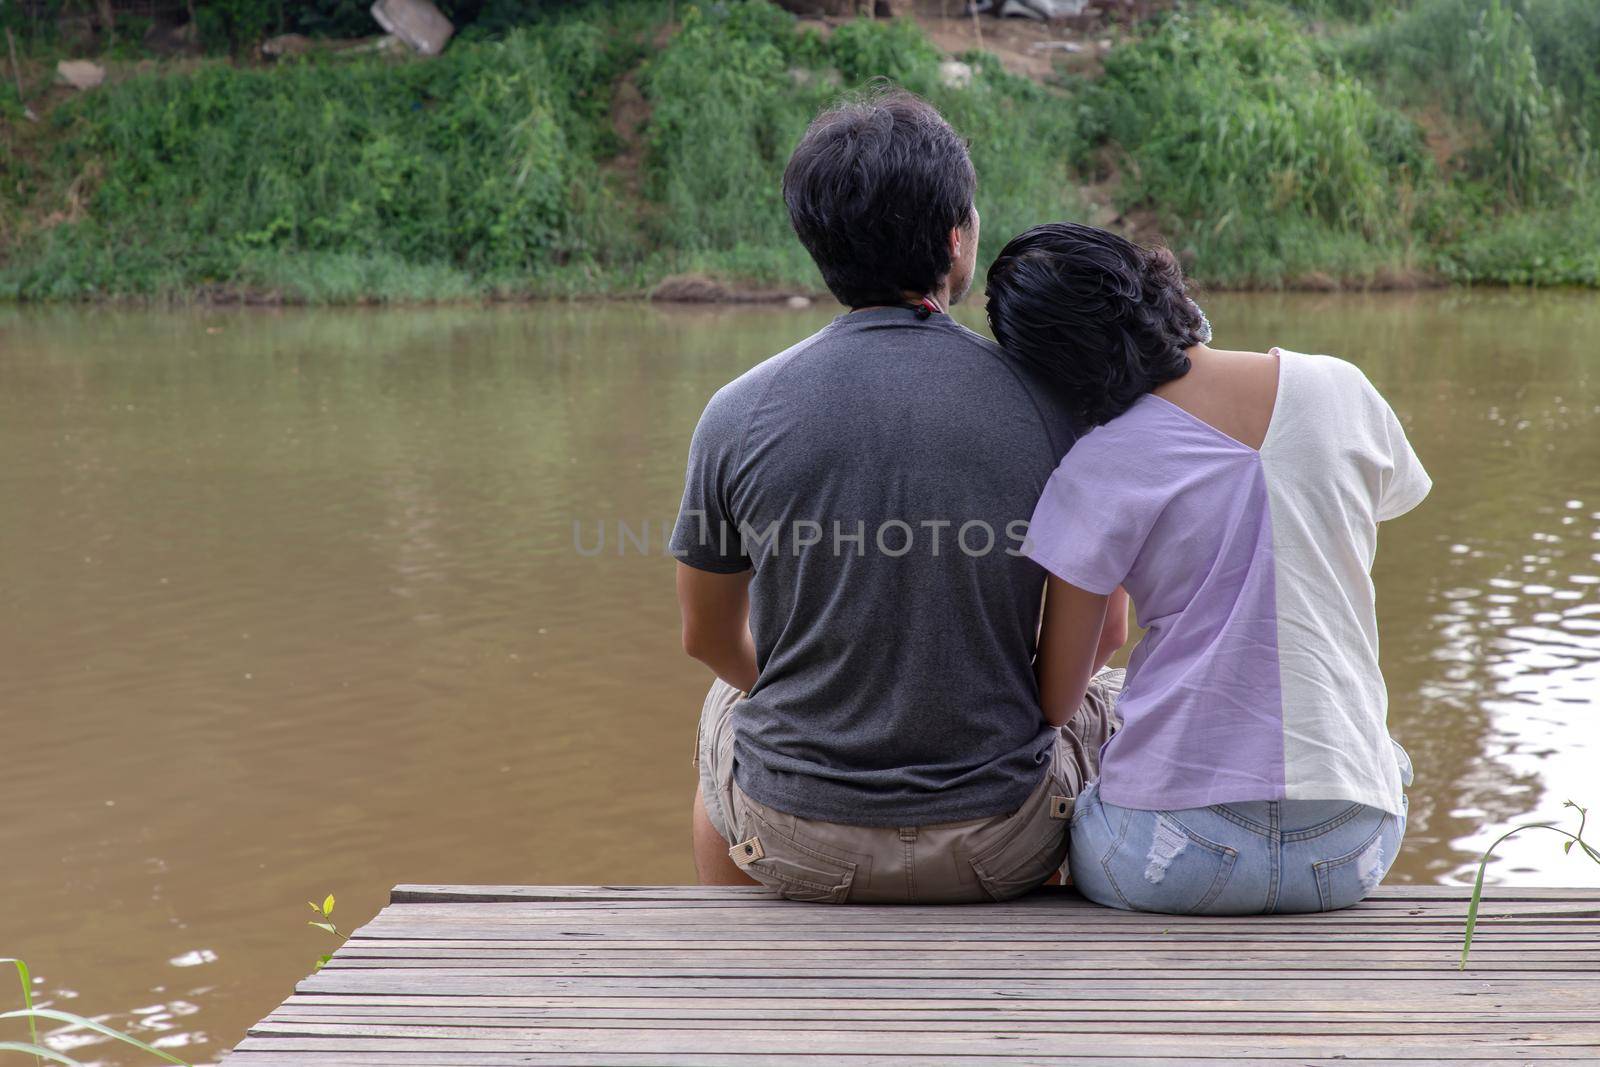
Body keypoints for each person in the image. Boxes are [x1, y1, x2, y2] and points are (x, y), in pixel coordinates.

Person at [669, 93, 1127, 904]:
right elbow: (1108, 631)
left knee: (727, 702)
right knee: (1112, 695)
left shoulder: (737, 412)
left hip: (798, 839)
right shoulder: (1056, 405)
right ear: (957, 240)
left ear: (817, 245)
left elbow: (706, 635)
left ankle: (734, 929)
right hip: (1003, 842)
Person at [985, 222, 1429, 914]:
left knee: (1072, 795)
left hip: (1173, 853)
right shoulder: (1345, 389)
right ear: (1157, 287)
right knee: (1386, 751)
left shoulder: (1098, 465)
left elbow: (1064, 692)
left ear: (1052, 367)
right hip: (1351, 847)